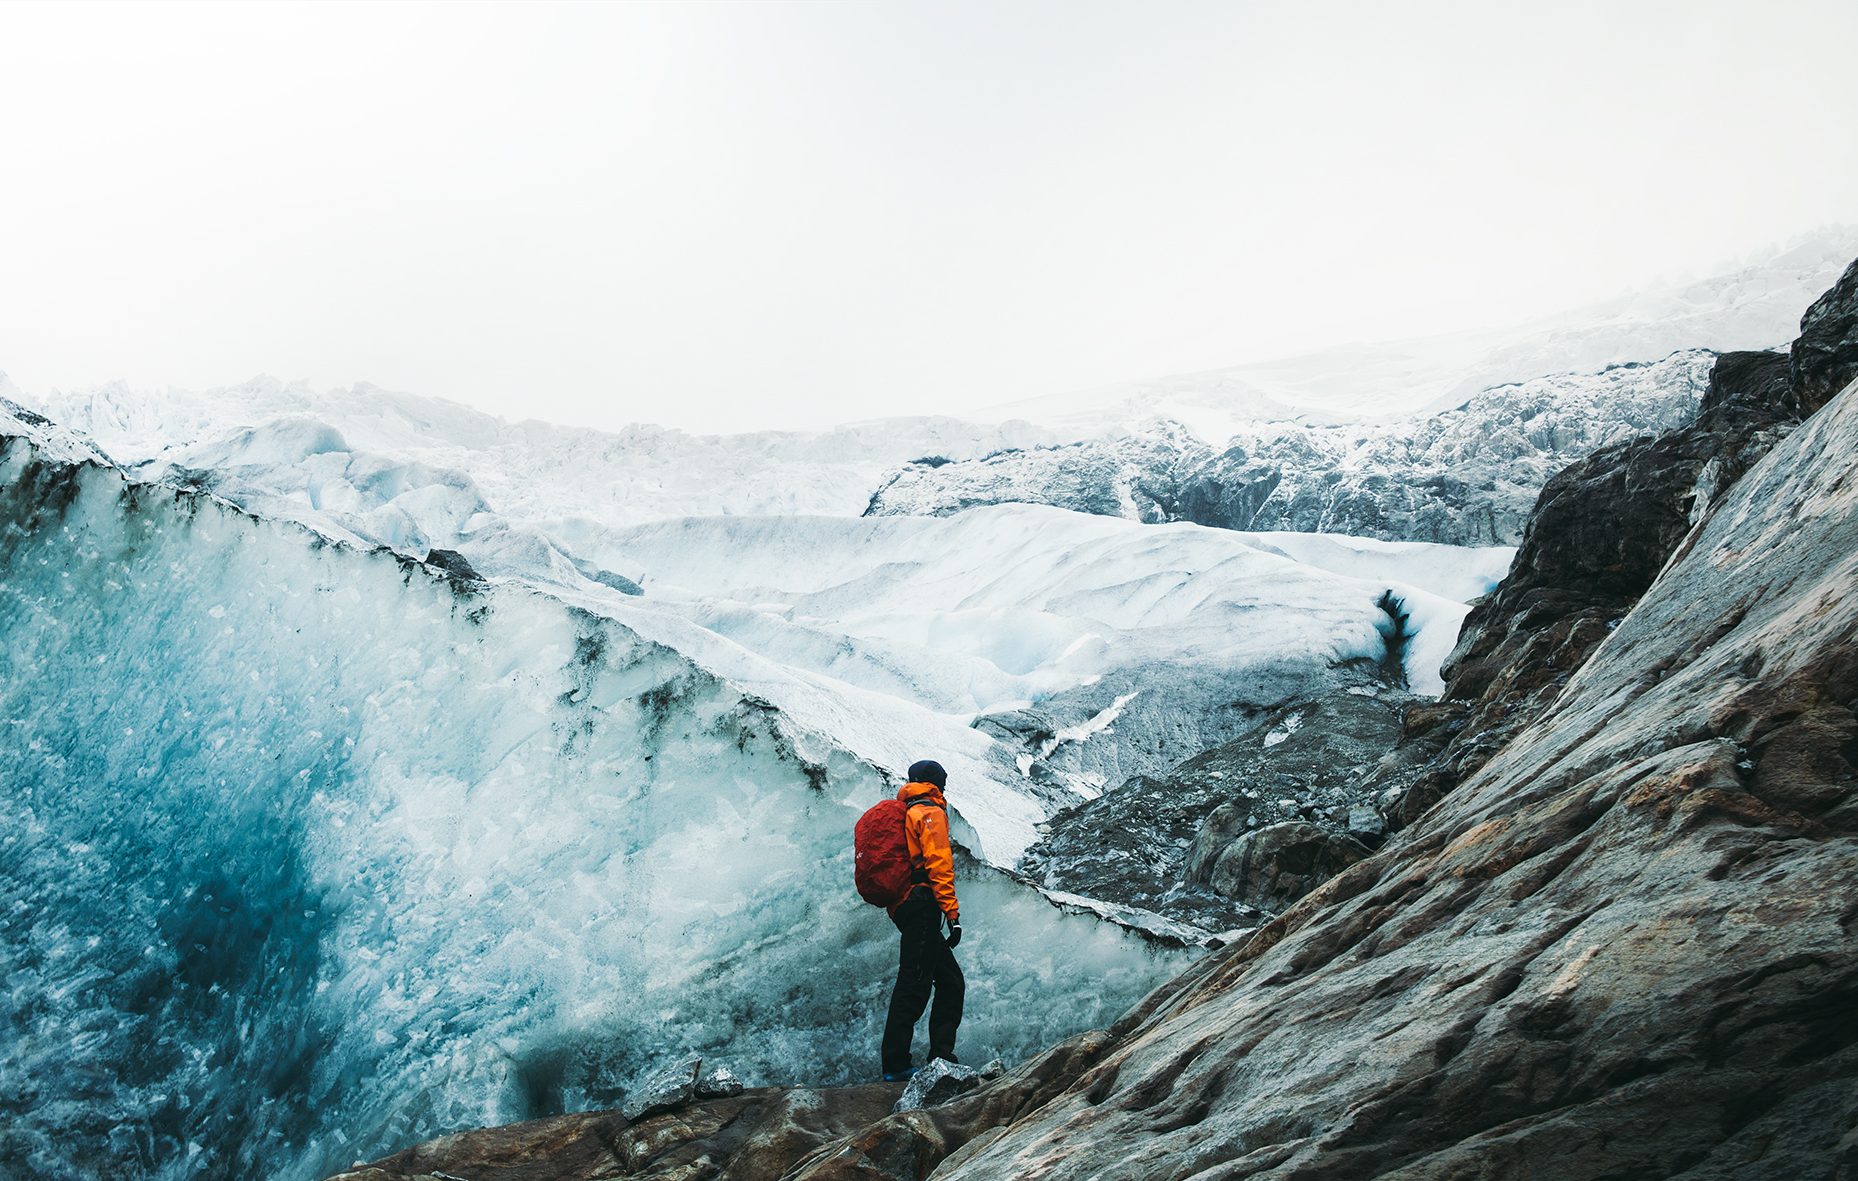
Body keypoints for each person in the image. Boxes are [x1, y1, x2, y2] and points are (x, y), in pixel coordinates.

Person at [880, 759, 965, 1081]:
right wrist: (952, 914)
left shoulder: (905, 811)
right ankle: (896, 1065)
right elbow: (939, 864)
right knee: (912, 984)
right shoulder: (928, 811)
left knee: (950, 982)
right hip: (921, 904)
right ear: (936, 783)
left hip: (905, 906)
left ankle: (941, 1056)